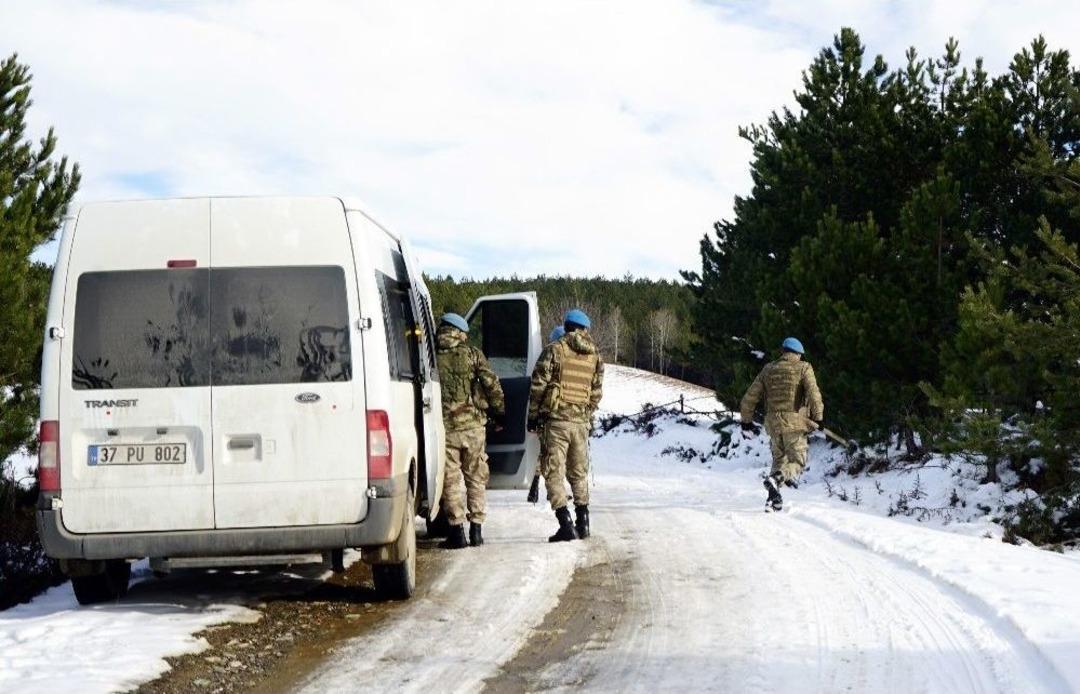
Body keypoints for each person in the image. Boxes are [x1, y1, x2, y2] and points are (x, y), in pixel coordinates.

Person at [528, 309, 604, 542]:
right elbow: (596, 393)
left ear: (566, 326)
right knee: (578, 473)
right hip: (580, 424)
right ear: (584, 329)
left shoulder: (554, 350)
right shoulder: (595, 356)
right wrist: (584, 414)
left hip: (557, 422)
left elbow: (538, 386)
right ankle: (584, 523)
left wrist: (533, 416)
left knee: (554, 473)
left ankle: (565, 524)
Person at [435, 312, 505, 548]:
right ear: (460, 332)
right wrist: (499, 413)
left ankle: (456, 533)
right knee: (476, 477)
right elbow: (491, 384)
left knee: (451, 480)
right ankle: (476, 530)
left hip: (446, 429)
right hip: (474, 427)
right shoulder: (473, 354)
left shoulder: (430, 356)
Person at [739, 337, 824, 512]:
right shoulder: (803, 367)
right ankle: (779, 478)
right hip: (794, 424)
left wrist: (746, 423)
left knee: (779, 460)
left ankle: (773, 500)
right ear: (798, 354)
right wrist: (819, 417)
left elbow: (748, 398)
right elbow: (814, 394)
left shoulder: (768, 370)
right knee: (798, 462)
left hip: (773, 424)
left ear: (783, 351)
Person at [527, 325, 567, 504]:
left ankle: (535, 487)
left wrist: (533, 416)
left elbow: (538, 388)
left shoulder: (549, 356)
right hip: (562, 419)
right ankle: (554, 492)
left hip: (548, 415)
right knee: (556, 459)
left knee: (542, 454)